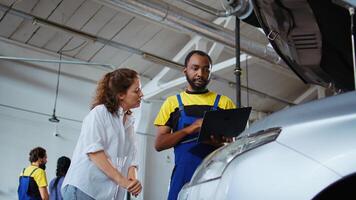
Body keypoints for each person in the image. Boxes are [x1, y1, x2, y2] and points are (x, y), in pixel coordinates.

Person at [154, 50, 236, 200]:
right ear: (185, 70)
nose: (200, 73)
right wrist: (190, 129)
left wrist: (219, 144)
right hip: (183, 175)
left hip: (215, 175)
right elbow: (159, 144)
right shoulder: (172, 103)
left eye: (206, 69)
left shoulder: (225, 103)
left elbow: (233, 147)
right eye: (195, 68)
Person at [62, 68, 143, 200]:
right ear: (121, 94)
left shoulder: (129, 124)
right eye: (137, 90)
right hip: (85, 189)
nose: (141, 94)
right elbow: (94, 152)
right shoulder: (99, 113)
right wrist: (123, 181)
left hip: (105, 195)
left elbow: (132, 160)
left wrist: (133, 181)